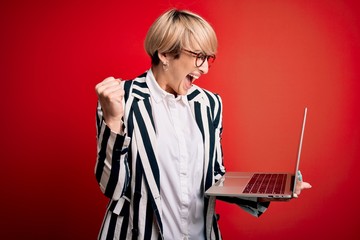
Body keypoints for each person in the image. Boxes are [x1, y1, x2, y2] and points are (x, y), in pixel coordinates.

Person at [94, 9, 311, 240]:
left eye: (209, 58)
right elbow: (112, 188)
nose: (205, 68)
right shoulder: (121, 99)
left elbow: (215, 178)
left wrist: (267, 192)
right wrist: (113, 120)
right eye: (199, 56)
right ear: (165, 53)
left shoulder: (210, 103)